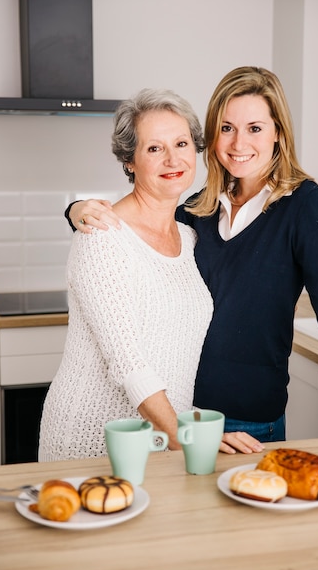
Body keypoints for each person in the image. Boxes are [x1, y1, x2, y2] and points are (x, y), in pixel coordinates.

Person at [65, 66, 318, 447]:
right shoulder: (196, 211)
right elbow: (131, 230)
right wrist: (75, 210)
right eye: (226, 128)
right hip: (176, 414)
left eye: (255, 128)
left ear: (278, 134)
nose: (239, 143)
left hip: (249, 420)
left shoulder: (302, 205)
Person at [39, 88, 217, 461]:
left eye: (182, 143)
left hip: (161, 442)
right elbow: (129, 363)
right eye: (154, 148)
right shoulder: (102, 236)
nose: (173, 158)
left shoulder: (190, 237)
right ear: (130, 160)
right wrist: (188, 440)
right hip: (92, 444)